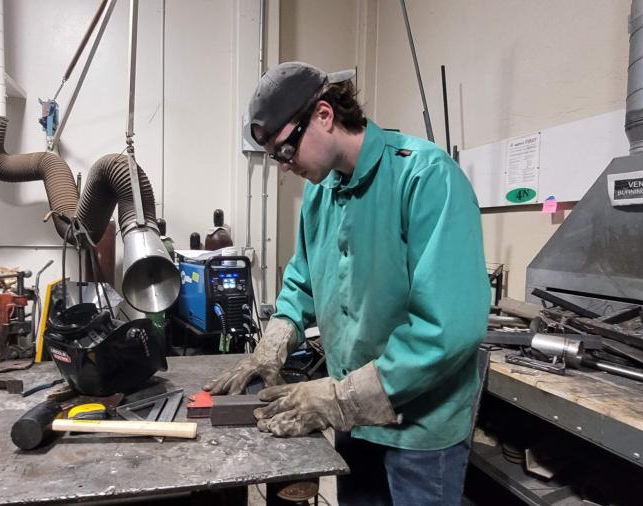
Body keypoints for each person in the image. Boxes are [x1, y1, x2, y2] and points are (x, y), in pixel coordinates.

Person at [204, 61, 489, 506]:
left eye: (286, 150)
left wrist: (342, 399)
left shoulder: (425, 176)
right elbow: (302, 281)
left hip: (419, 433)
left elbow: (448, 329)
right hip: (355, 421)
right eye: (277, 157)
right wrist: (274, 341)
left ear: (324, 115)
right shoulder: (321, 192)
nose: (285, 167)